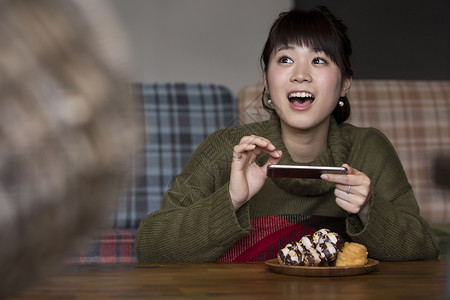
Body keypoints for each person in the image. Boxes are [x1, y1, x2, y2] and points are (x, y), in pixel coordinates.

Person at [135, 6, 439, 263]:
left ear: (345, 82)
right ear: (266, 80)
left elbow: (425, 248)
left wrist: (369, 207)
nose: (300, 74)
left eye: (319, 60)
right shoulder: (226, 149)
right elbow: (150, 245)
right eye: (285, 59)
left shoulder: (370, 148)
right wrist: (231, 199)